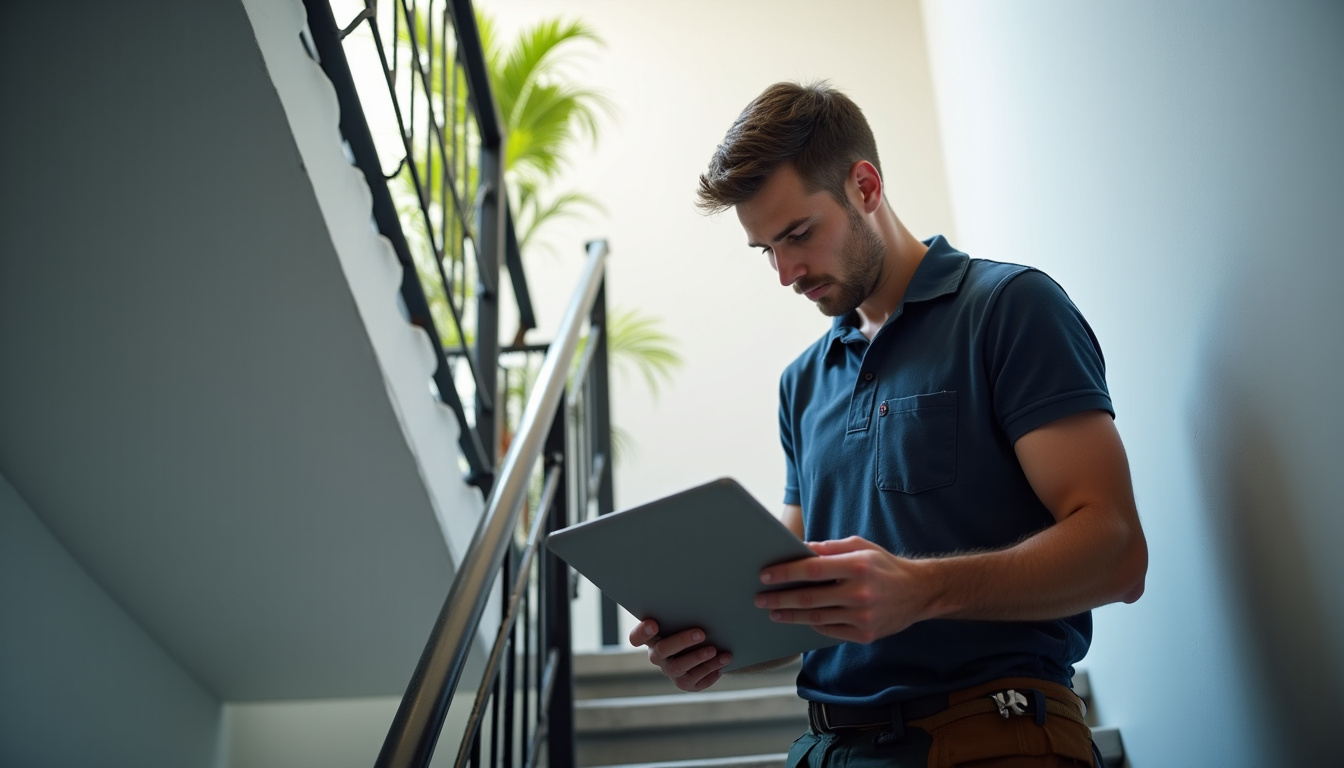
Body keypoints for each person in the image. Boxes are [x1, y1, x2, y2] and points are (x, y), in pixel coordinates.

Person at [628, 81, 1148, 767]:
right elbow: (795, 602)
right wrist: (713, 643)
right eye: (765, 251)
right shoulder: (801, 383)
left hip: (991, 737)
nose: (785, 273)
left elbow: (1118, 555)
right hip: (825, 749)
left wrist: (923, 590)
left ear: (865, 186)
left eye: (798, 234)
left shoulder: (1010, 309)